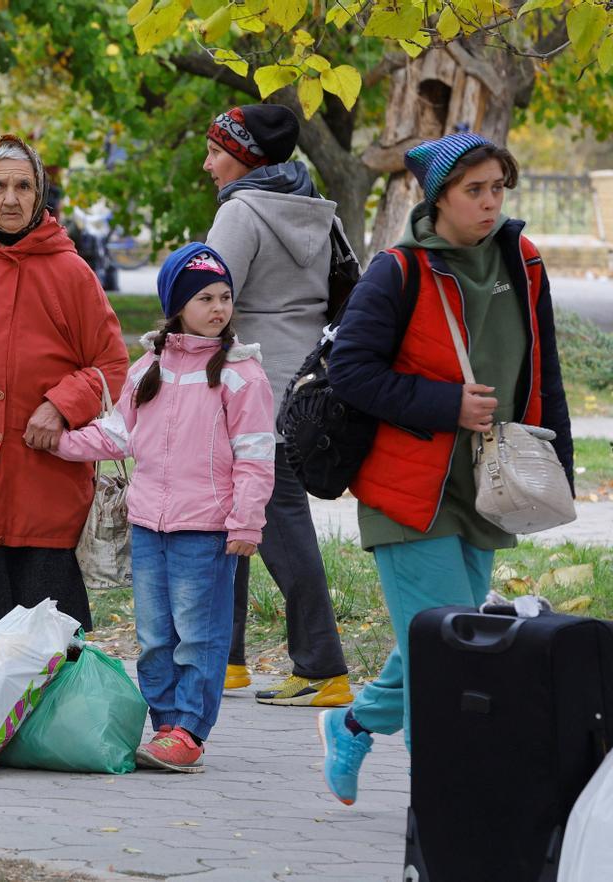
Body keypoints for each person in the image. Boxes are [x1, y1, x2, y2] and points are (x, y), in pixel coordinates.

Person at [318, 133, 573, 804]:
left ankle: (353, 723)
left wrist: (559, 467)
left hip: (486, 485)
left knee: (450, 635)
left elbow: (544, 368)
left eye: (498, 188)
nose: (490, 203)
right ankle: (441, 805)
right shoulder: (397, 271)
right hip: (408, 489)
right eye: (474, 190)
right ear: (438, 199)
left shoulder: (521, 261)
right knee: (449, 651)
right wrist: (444, 404)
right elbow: (349, 372)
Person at [52, 243, 275, 772]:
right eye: (204, 298)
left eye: (224, 297)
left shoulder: (241, 375)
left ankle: (190, 729)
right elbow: (117, 434)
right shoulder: (147, 367)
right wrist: (58, 443)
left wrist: (247, 519)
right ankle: (164, 726)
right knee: (155, 635)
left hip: (208, 529)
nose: (218, 308)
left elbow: (256, 455)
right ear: (177, 306)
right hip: (149, 524)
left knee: (199, 633)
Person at [0, 133, 128, 670]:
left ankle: (39, 742)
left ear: (40, 195)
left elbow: (112, 366)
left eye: (22, 186)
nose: (10, 198)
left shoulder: (72, 273)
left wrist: (61, 403)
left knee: (46, 649)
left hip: (43, 484)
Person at [203, 103, 351, 707]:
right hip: (305, 382)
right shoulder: (315, 208)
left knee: (277, 522)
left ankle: (323, 666)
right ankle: (228, 658)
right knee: (231, 511)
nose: (208, 163)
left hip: (253, 384)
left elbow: (207, 298)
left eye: (217, 151)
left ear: (245, 157)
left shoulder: (241, 212)